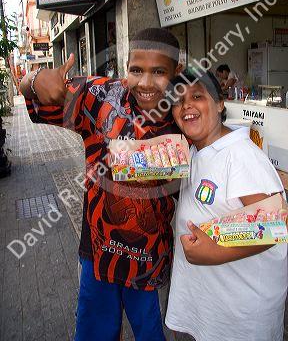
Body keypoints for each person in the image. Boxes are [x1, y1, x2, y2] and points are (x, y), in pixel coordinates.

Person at [20, 27, 182, 341]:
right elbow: (38, 94)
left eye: (159, 72)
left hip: (148, 258)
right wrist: (36, 79)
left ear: (176, 71)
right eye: (136, 70)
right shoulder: (100, 96)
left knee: (150, 332)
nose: (145, 82)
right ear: (125, 67)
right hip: (98, 253)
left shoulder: (185, 110)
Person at [165, 69, 287, 341]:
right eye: (177, 100)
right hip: (208, 311)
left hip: (239, 323)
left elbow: (274, 225)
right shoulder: (196, 151)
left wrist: (214, 251)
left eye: (197, 96)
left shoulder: (241, 155)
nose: (186, 105)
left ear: (220, 103)